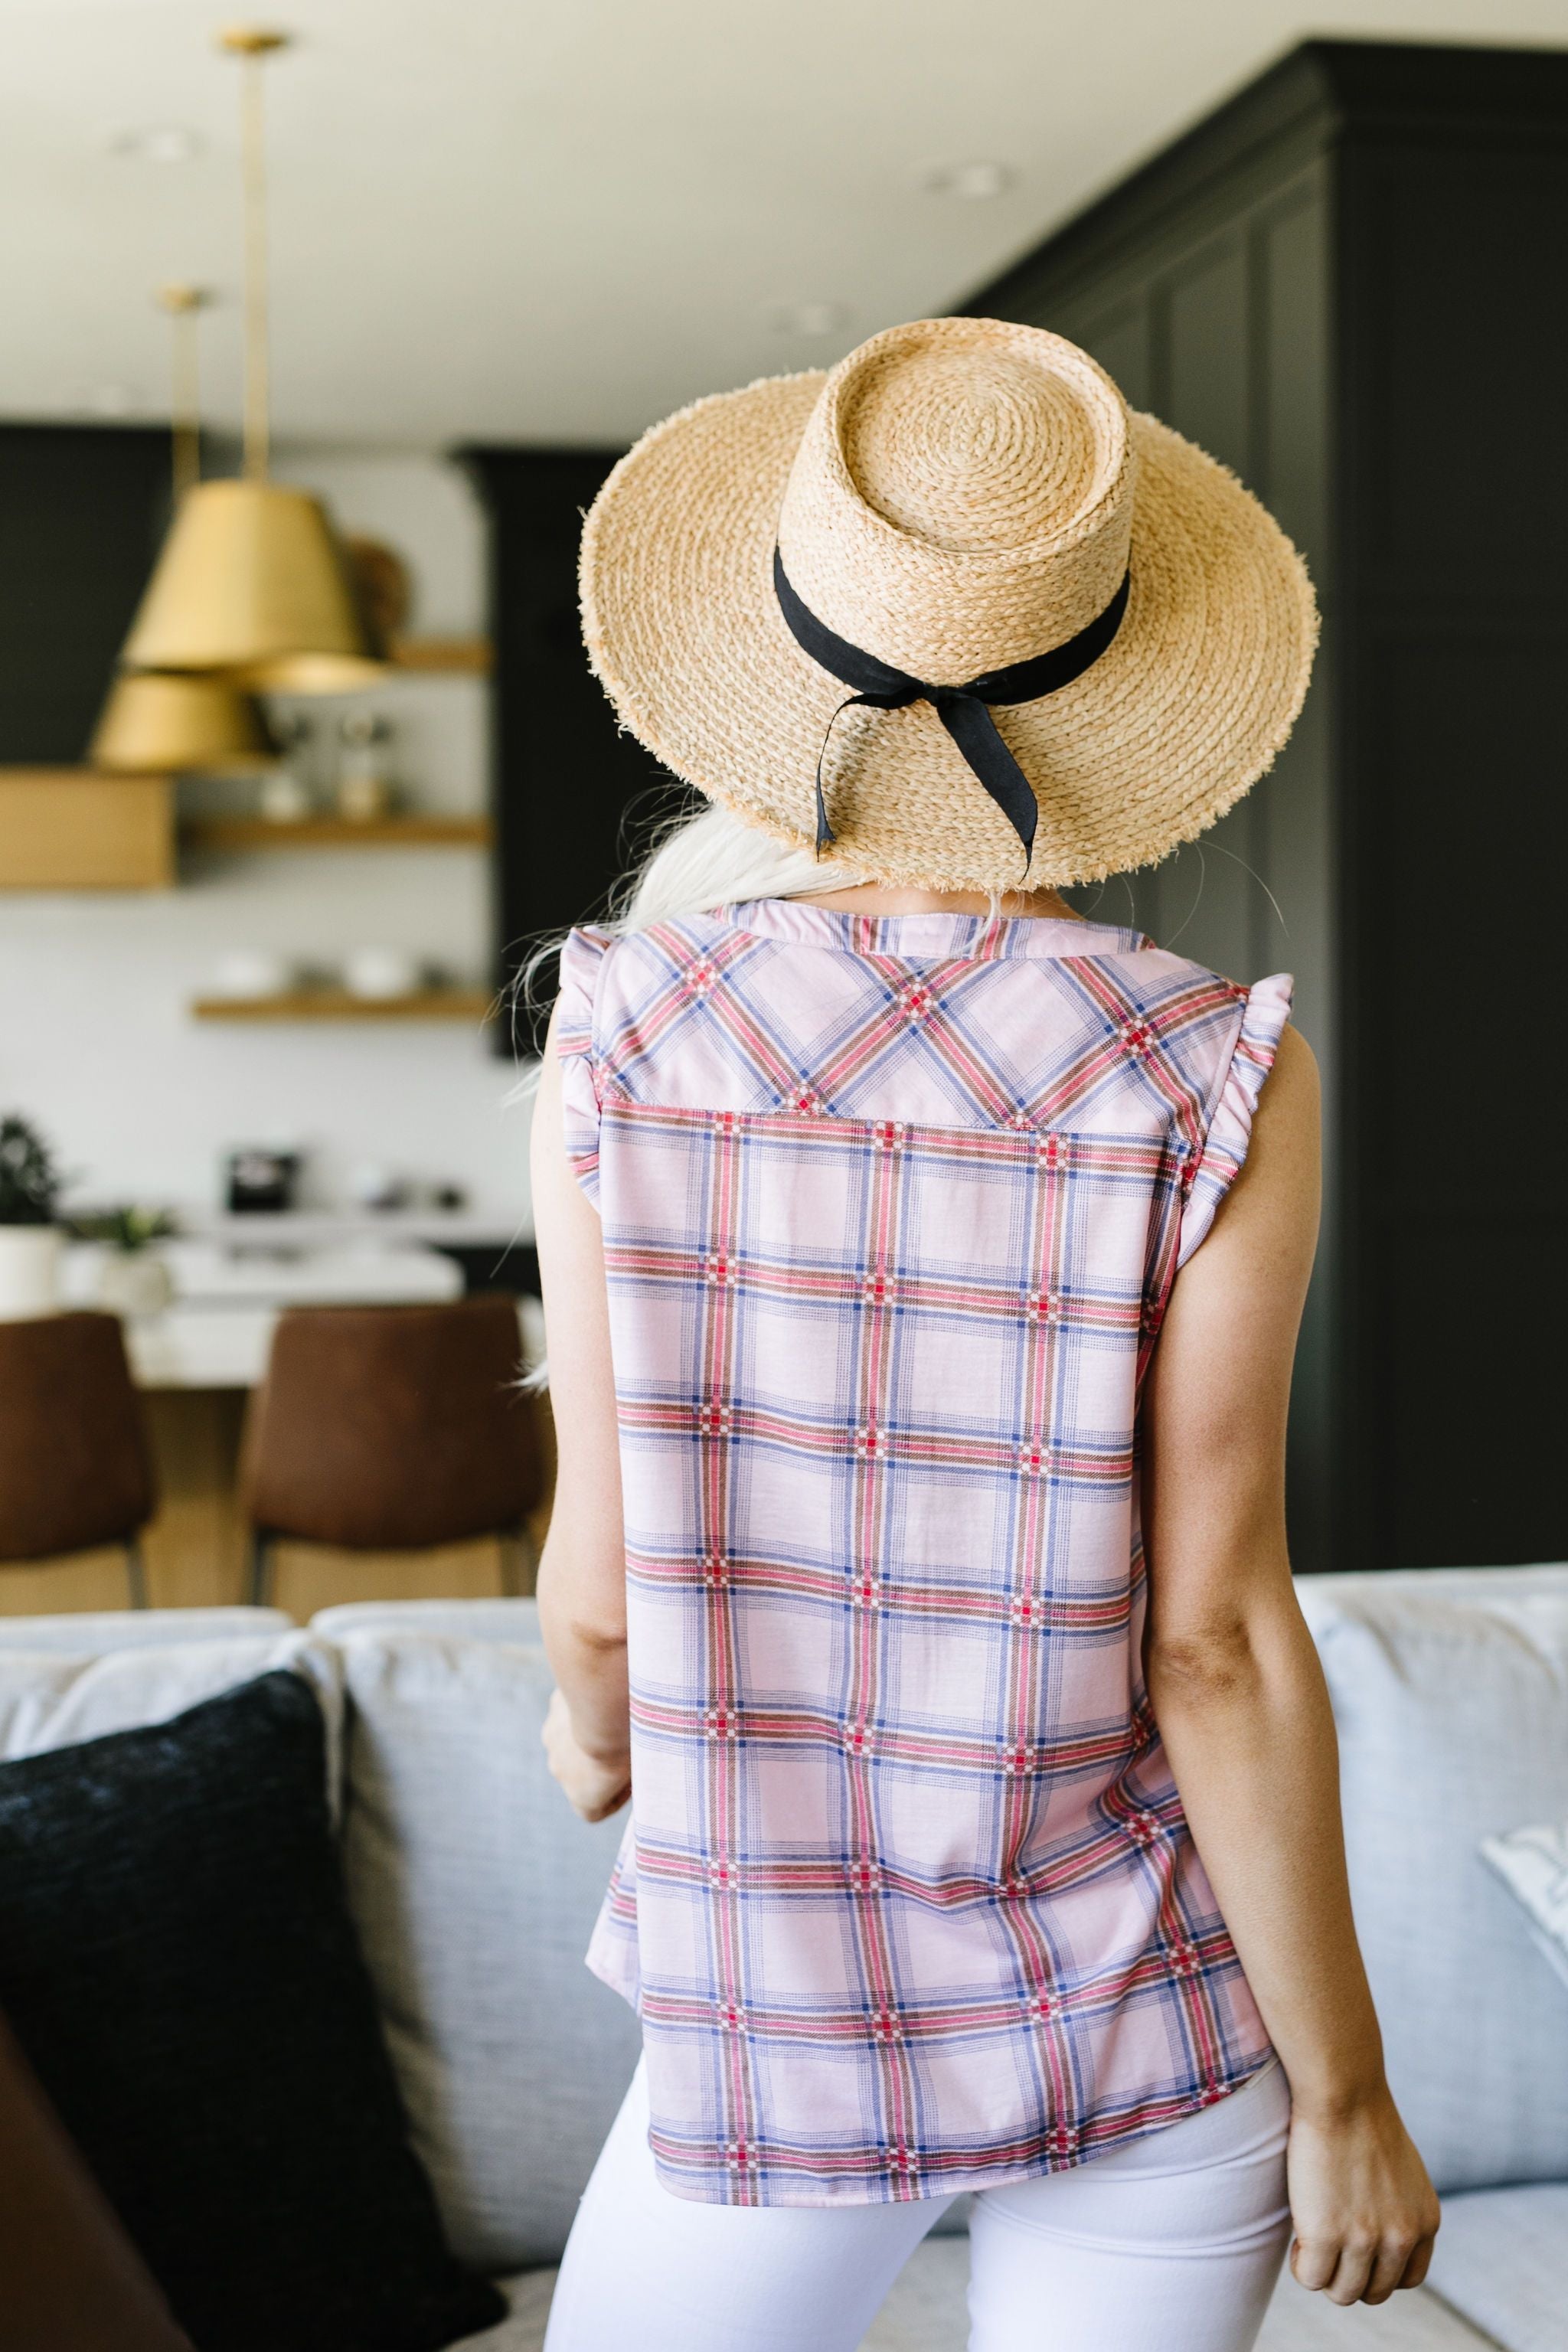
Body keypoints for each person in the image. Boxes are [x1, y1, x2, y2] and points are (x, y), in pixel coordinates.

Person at [529, 316, 1439, 2352]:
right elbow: (1213, 1639)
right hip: (1139, 2007)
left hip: (779, 2022)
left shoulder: (628, 1026)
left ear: (784, 666)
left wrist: (596, 1726)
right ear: (1114, 684)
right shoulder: (1215, 1065)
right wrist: (1351, 2092)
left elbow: (597, 1608)